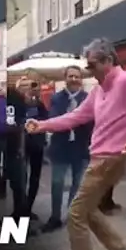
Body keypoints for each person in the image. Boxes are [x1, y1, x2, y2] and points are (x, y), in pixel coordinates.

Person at [26, 38, 126, 250]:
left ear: (108, 61)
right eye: (87, 65)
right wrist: (41, 125)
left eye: (92, 65)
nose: (88, 71)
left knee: (75, 214)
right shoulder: (99, 90)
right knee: (88, 210)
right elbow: (76, 117)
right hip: (100, 158)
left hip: (109, 159)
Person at [41, 66, 92, 233]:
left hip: (81, 147)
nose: (74, 79)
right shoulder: (57, 98)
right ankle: (55, 217)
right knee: (57, 183)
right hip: (60, 147)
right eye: (70, 76)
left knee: (78, 184)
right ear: (65, 78)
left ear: (81, 79)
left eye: (77, 76)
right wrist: (73, 117)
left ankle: (71, 215)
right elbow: (54, 119)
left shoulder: (88, 98)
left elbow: (92, 122)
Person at [0, 81, 28, 219]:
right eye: (0, 87)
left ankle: (13, 201)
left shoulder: (16, 100)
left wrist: (21, 146)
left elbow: (21, 123)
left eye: (3, 87)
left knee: (10, 170)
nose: (1, 89)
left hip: (11, 139)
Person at [21, 79, 48, 220]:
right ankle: (21, 208)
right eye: (31, 88)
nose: (33, 90)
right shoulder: (19, 104)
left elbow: (46, 120)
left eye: (36, 89)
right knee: (21, 177)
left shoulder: (40, 104)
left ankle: (28, 208)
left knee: (35, 178)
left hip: (37, 145)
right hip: (22, 145)